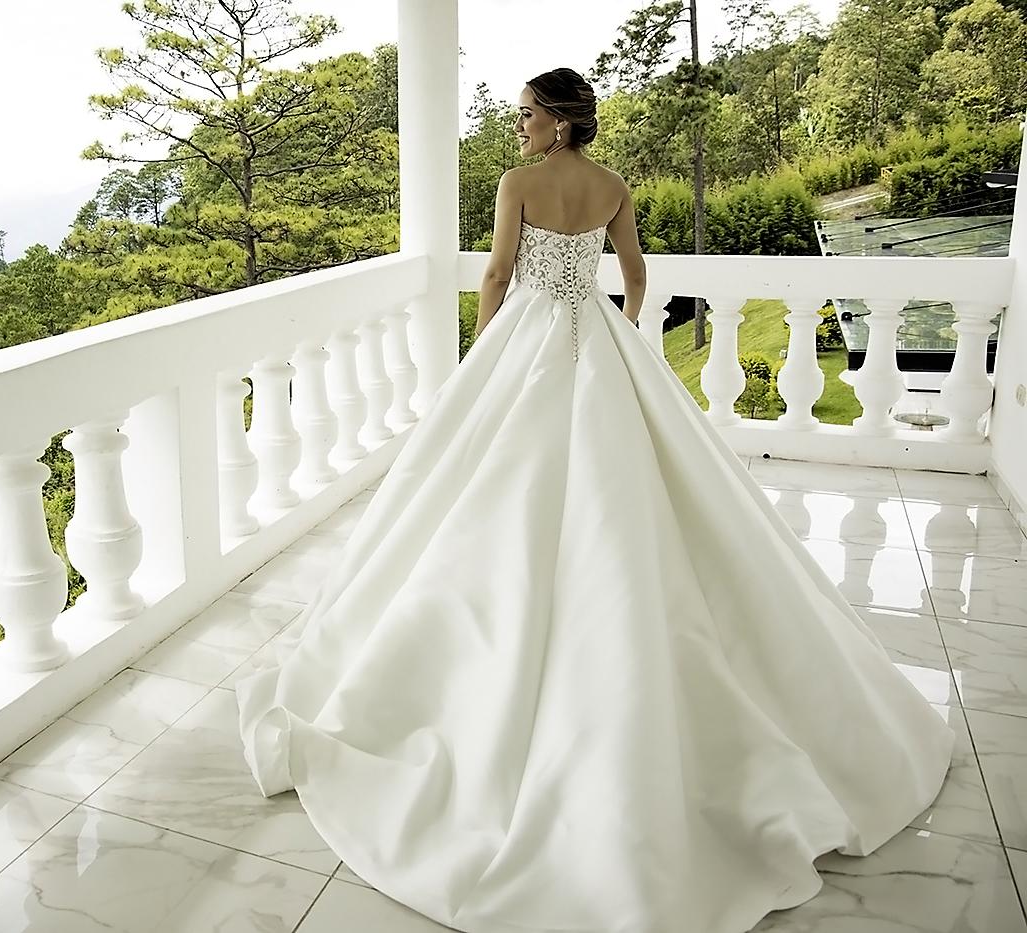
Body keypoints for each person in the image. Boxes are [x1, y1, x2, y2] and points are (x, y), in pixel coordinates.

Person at [235, 67, 953, 933]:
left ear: (559, 121)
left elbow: (496, 273)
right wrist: (622, 330)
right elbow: (636, 276)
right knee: (628, 491)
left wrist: (486, 350)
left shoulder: (519, 184)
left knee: (491, 489)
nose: (519, 127)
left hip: (526, 336)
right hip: (599, 336)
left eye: (527, 115)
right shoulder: (613, 186)